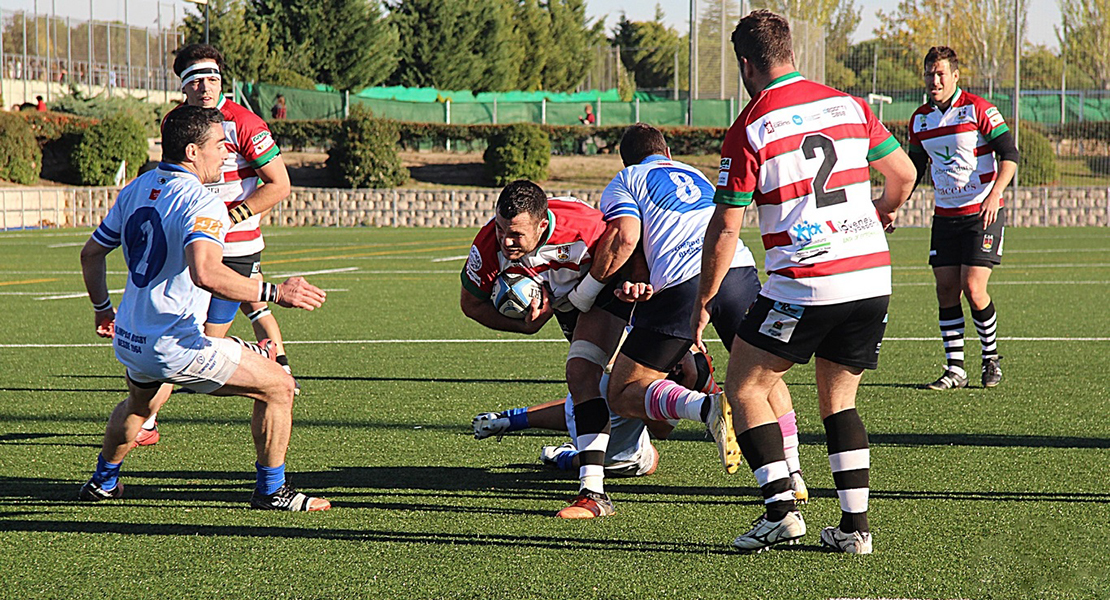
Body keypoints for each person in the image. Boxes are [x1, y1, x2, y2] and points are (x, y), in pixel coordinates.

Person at [693, 10, 917, 554]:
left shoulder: (750, 126)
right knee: (839, 401)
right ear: (791, 52)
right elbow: (904, 176)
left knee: (746, 386)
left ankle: (779, 513)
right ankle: (855, 530)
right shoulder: (850, 104)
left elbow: (727, 228)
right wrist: (880, 212)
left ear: (746, 64)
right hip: (870, 275)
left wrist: (703, 299)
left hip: (807, 280)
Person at [77, 105, 329, 511]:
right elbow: (207, 273)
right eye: (218, 144)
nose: (227, 152)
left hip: (129, 337)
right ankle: (272, 491)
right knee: (279, 388)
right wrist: (277, 293)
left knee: (138, 406)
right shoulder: (202, 201)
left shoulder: (137, 187)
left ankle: (102, 482)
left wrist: (103, 309)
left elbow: (91, 254)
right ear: (193, 151)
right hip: (174, 344)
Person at [565, 123, 808, 504]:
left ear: (626, 158)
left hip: (684, 283)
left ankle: (706, 407)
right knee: (762, 375)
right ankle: (793, 473)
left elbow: (626, 238)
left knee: (623, 392)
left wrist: (584, 294)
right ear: (667, 152)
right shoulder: (696, 173)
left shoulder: (627, 178)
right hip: (738, 269)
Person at [134, 44, 295, 446]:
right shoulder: (176, 122)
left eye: (213, 78)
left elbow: (280, 184)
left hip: (234, 249)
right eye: (196, 80)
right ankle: (138, 423)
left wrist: (229, 217)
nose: (206, 86)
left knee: (198, 339)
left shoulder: (244, 122)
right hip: (189, 244)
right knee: (175, 331)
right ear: (183, 87)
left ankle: (145, 420)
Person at [460, 180, 632, 519]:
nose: (506, 241)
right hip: (566, 308)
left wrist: (590, 291)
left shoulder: (582, 227)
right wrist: (527, 324)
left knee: (602, 380)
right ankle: (594, 490)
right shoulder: (488, 244)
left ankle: (703, 390)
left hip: (607, 291)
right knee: (620, 411)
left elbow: (626, 247)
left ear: (542, 225)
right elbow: (472, 305)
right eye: (500, 229)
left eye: (517, 235)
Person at [909, 46, 1018, 390]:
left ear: (955, 76)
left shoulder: (977, 108)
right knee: (945, 290)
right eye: (930, 73)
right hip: (945, 217)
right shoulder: (920, 119)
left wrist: (994, 195)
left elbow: (1010, 154)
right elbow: (913, 169)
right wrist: (893, 205)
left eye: (941, 73)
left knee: (973, 288)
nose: (935, 80)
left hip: (981, 213)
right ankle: (955, 369)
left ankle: (990, 358)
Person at [472, 349, 722, 479]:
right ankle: (563, 457)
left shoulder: (641, 333)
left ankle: (510, 418)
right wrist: (687, 387)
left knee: (590, 404)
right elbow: (661, 430)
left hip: (582, 399)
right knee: (648, 459)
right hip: (612, 447)